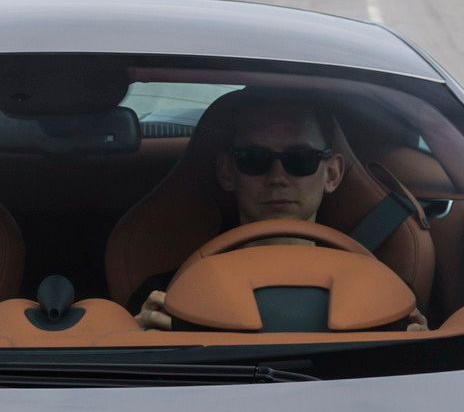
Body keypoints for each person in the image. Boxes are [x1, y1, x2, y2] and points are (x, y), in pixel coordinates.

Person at [136, 99, 345, 327]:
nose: (277, 178)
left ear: (332, 174)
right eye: (253, 159)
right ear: (226, 171)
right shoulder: (170, 295)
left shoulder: (363, 285)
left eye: (300, 160)